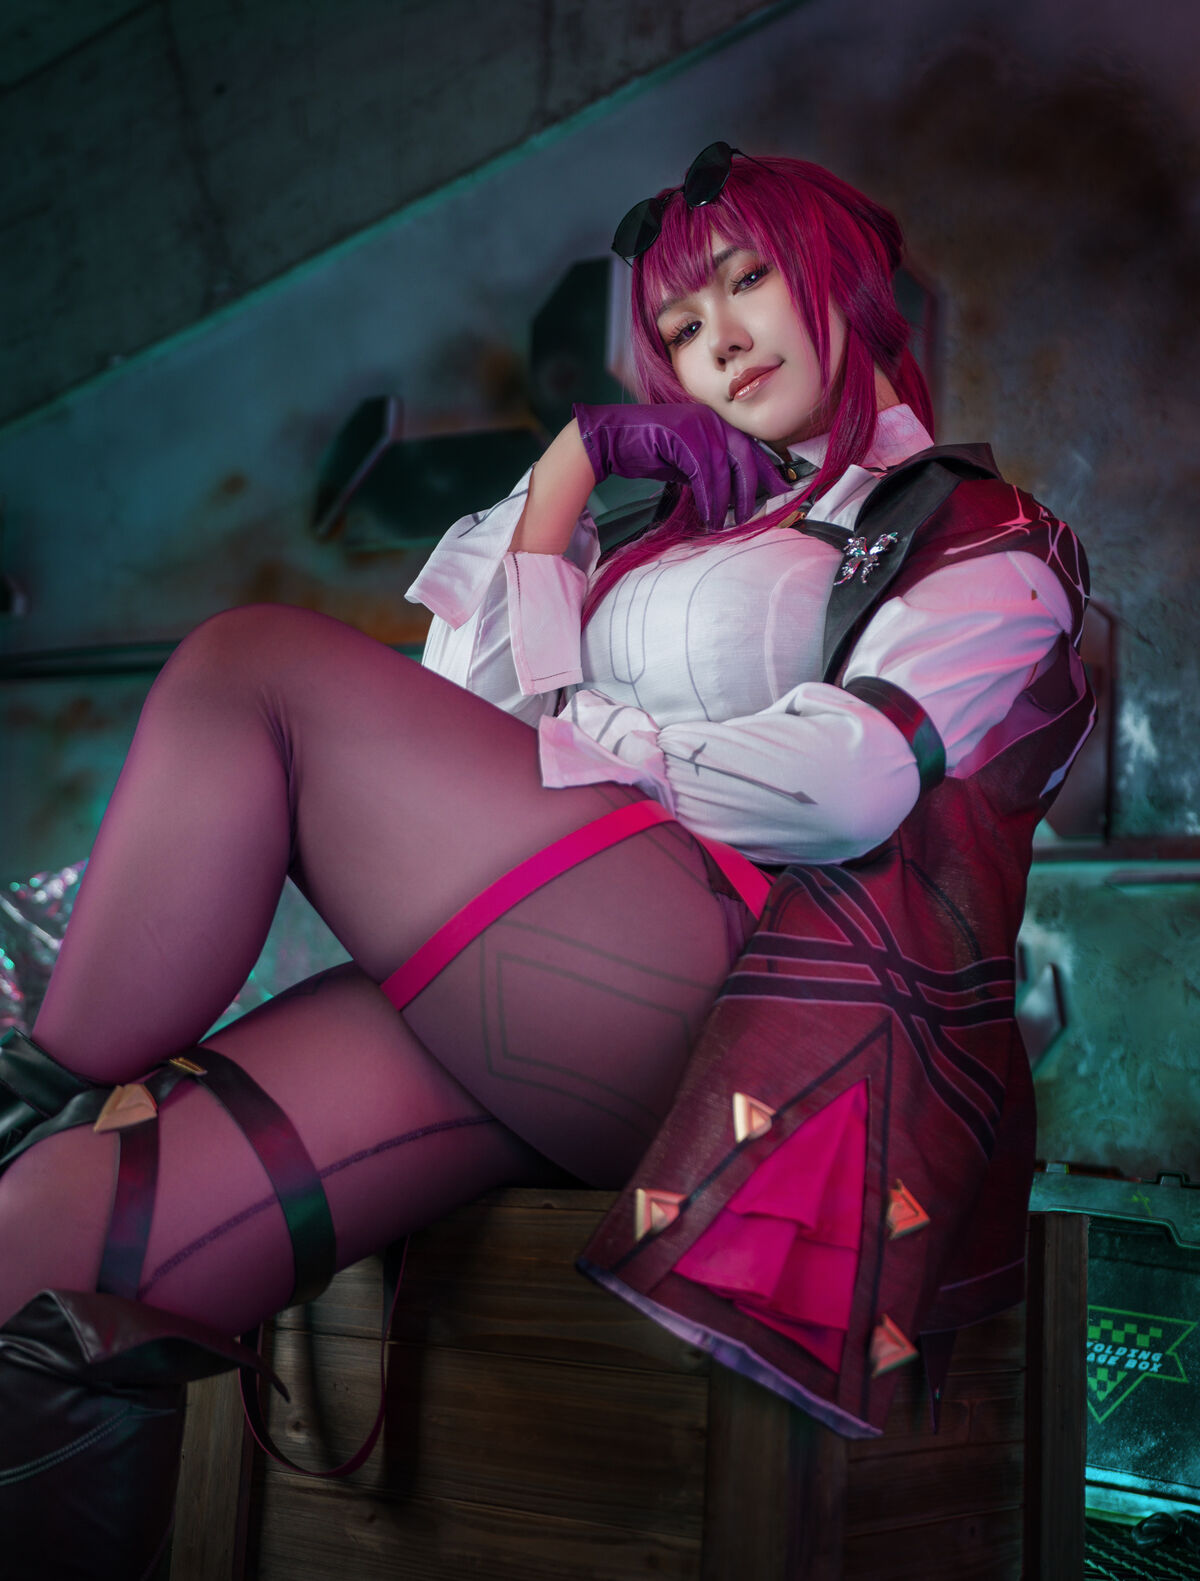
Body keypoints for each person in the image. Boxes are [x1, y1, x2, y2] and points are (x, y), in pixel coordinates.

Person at [0, 145, 1090, 1575]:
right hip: (561, 980)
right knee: (52, 1223)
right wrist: (571, 470)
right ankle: (35, 1122)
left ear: (846, 279)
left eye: (749, 281)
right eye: (681, 327)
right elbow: (463, 713)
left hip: (766, 1028)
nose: (719, 342)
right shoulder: (670, 533)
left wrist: (596, 731)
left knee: (248, 667)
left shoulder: (983, 538)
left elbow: (842, 784)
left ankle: (31, 1063)